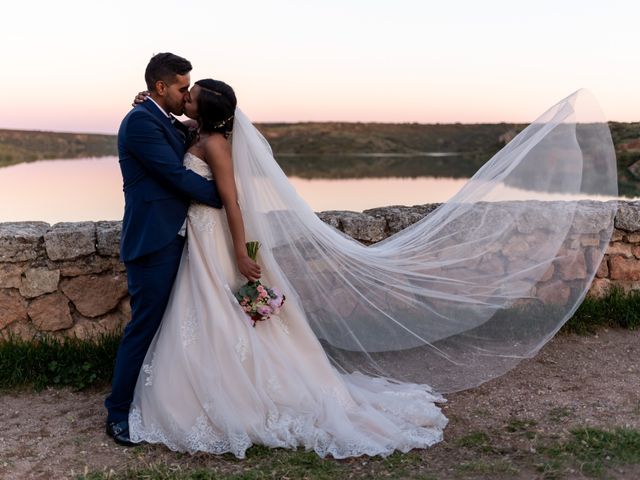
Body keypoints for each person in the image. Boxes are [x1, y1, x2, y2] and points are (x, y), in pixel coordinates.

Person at [125, 80, 617, 458]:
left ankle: (244, 392)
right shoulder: (198, 132)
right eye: (184, 93)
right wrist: (148, 103)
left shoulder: (214, 145)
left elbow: (232, 201)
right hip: (200, 239)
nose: (185, 99)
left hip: (217, 238)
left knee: (224, 310)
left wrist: (239, 250)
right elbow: (175, 131)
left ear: (205, 112)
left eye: (191, 97)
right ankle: (216, 382)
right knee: (209, 311)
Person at [104, 53, 223, 447]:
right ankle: (117, 411)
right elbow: (173, 175)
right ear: (161, 87)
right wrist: (223, 196)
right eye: (182, 88)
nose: (186, 93)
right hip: (153, 241)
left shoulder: (163, 119)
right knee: (145, 327)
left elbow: (194, 135)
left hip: (180, 236)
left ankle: (172, 399)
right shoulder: (140, 122)